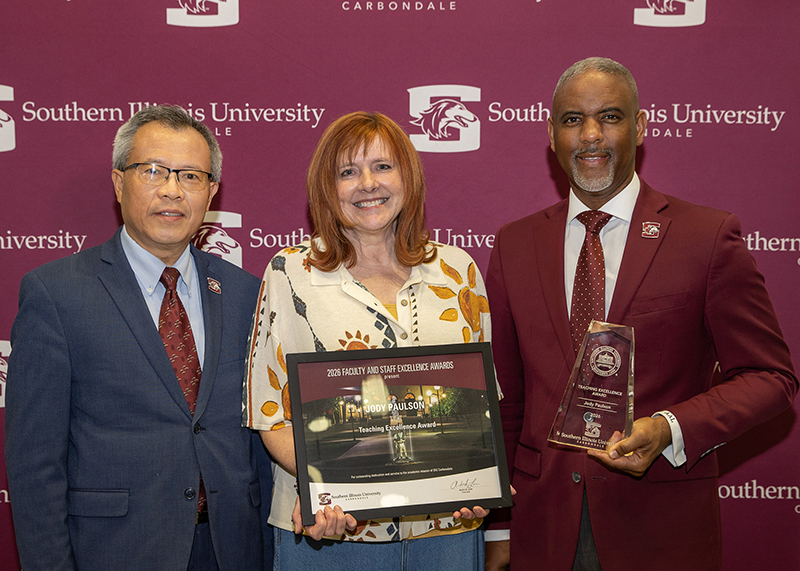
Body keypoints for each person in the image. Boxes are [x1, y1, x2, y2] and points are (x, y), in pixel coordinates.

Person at [484, 57, 797, 571]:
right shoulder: (515, 244)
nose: (590, 135)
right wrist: (499, 522)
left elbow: (770, 376)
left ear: (642, 126)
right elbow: (509, 399)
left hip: (660, 528)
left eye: (609, 117)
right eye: (571, 120)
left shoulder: (706, 237)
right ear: (550, 134)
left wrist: (670, 427)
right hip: (544, 528)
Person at [5, 105, 264, 570]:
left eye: (190, 175)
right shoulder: (56, 294)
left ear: (211, 192)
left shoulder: (247, 293)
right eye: (152, 171)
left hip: (231, 550)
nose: (171, 189)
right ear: (119, 182)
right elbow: (35, 467)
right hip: (117, 551)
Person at [243, 111, 490, 570]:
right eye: (347, 172)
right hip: (330, 531)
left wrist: (474, 478)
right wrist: (330, 484)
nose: (367, 184)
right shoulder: (290, 273)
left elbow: (481, 402)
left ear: (407, 177)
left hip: (444, 530)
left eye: (382, 166)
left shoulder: (459, 272)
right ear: (327, 188)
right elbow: (270, 412)